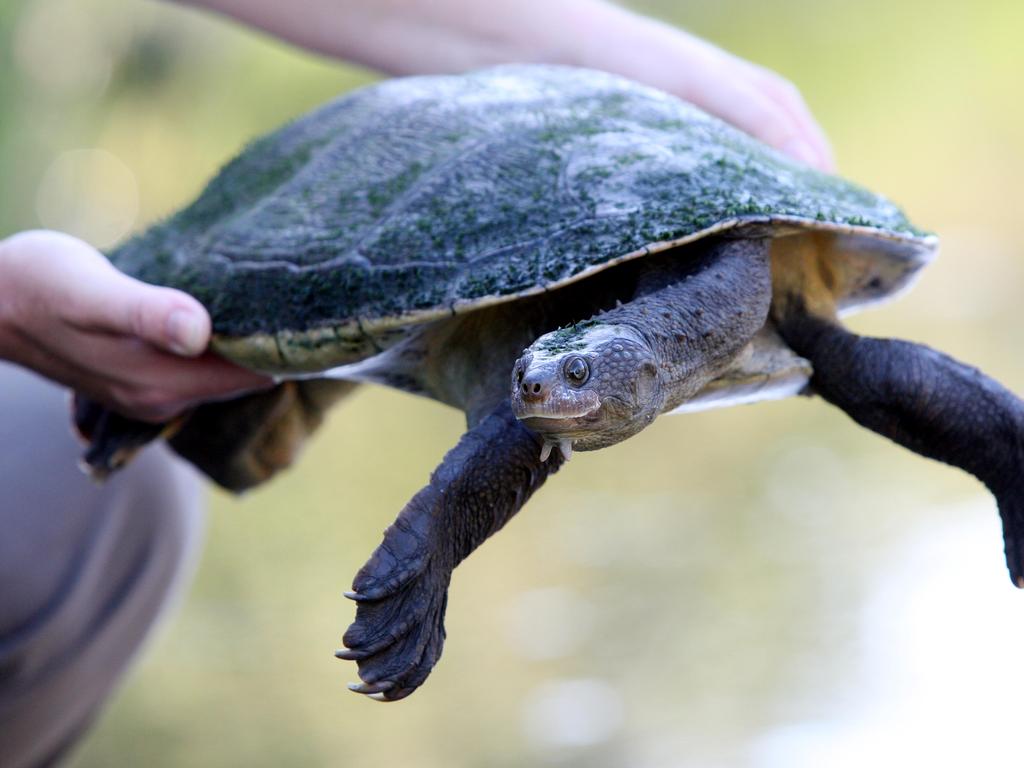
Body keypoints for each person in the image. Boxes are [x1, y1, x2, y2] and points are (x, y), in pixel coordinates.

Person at [0, 0, 833, 764]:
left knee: (128, 498)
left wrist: (602, 48)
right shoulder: (531, 386)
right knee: (109, 491)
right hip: (304, 231)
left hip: (574, 150)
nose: (538, 392)